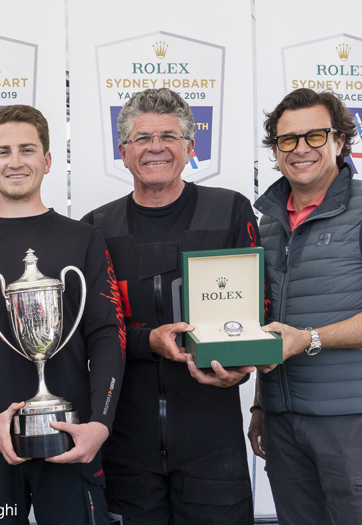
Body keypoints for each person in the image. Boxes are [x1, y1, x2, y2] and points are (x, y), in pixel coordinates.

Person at [0, 105, 125, 524]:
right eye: (2, 152)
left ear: (48, 160)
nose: (15, 162)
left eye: (27, 150)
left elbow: (108, 336)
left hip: (72, 437)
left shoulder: (85, 239)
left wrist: (100, 423)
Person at [80, 87, 258, 523]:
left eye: (169, 136)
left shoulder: (230, 211)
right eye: (142, 138)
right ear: (123, 152)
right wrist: (150, 342)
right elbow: (91, 331)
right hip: (127, 445)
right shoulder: (95, 228)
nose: (155, 147)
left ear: (190, 148)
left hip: (213, 445)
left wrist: (240, 366)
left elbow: (257, 311)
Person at [251, 88, 362, 525]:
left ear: (340, 141)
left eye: (315, 135)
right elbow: (267, 324)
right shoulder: (268, 223)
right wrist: (258, 407)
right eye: (287, 139)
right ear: (275, 149)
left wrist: (310, 340)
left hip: (355, 424)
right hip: (282, 423)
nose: (301, 148)